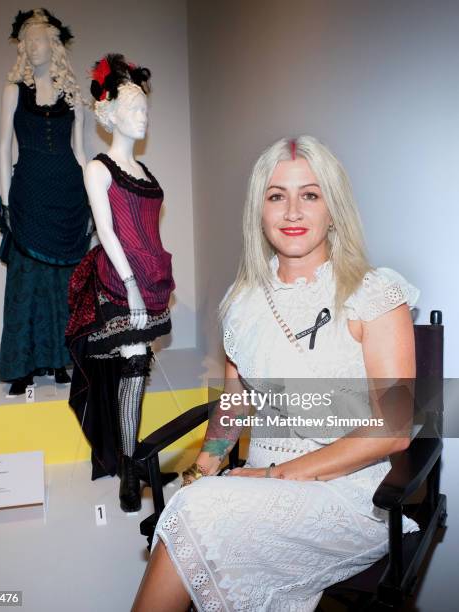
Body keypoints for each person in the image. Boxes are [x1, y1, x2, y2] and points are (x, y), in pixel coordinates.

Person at [132, 136, 419, 611]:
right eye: (276, 196)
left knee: (200, 511)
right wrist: (203, 471)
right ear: (259, 211)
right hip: (254, 482)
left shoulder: (376, 293)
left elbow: (394, 430)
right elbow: (234, 401)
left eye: (310, 194)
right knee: (197, 502)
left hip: (348, 492)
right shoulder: (241, 303)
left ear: (333, 208)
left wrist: (275, 475)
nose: (292, 212)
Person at [66, 54, 175, 513]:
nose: (142, 116)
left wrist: (150, 278)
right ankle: (129, 469)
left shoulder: (145, 172)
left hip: (152, 279)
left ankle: (134, 457)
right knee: (132, 366)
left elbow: (149, 229)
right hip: (118, 281)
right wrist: (129, 282)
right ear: (109, 115)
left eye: (145, 109)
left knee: (139, 367)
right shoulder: (98, 168)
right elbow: (107, 230)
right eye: (133, 109)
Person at [0, 8, 90, 397]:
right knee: (25, 283)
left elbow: (81, 154)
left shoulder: (74, 97)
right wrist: (6, 201)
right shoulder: (12, 91)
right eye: (26, 41)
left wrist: (93, 199)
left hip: (68, 194)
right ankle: (22, 367)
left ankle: (59, 360)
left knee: (64, 283)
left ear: (53, 45)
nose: (32, 47)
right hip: (29, 193)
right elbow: (3, 146)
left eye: (39, 40)